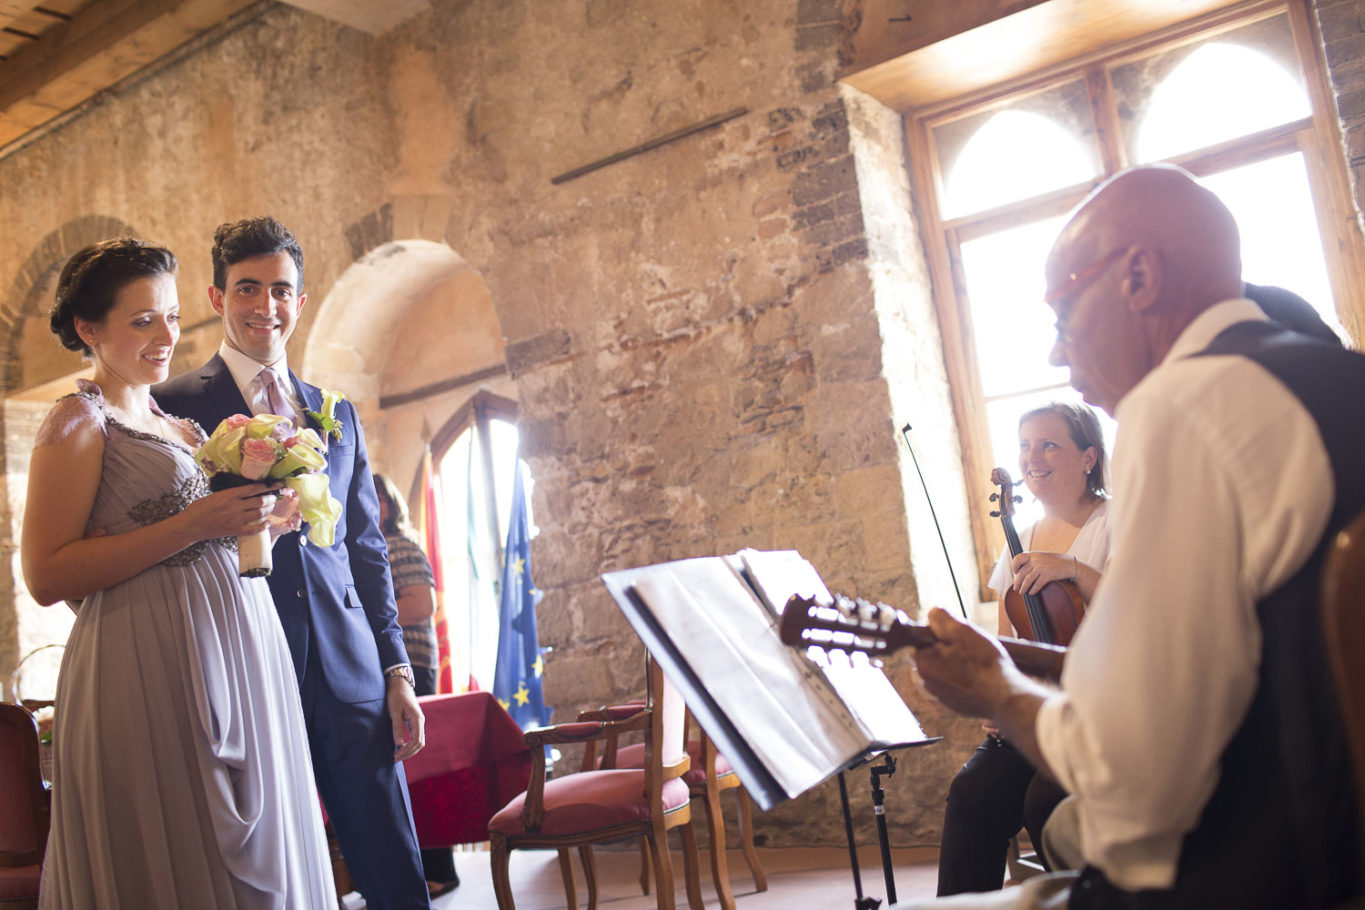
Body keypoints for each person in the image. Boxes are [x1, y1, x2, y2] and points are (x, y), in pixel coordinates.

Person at [899, 164, 1364, 909]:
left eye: (1060, 312)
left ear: (1139, 275)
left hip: (1263, 877)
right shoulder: (1343, 379)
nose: (1056, 351)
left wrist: (996, 689)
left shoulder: (1183, 404)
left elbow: (1131, 784)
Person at [24, 238, 335, 907]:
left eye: (170, 315)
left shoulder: (179, 426)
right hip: (147, 659)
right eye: (142, 320)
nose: (166, 335)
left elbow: (197, 543)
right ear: (88, 329)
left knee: (255, 852)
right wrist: (195, 524)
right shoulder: (80, 422)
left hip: (238, 648)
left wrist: (263, 528)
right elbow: (46, 575)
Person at [154, 218, 431, 909]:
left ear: (299, 303)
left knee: (392, 860)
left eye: (281, 291)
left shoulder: (334, 412)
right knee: (265, 865)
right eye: (247, 289)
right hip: (239, 656)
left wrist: (395, 670)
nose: (264, 307)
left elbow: (365, 549)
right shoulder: (172, 407)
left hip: (350, 670)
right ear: (217, 297)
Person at [937, 402, 1111, 896]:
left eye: (1049, 444)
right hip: (1037, 708)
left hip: (1101, 709)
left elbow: (1138, 608)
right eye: (1025, 445)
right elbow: (1007, 640)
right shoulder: (1022, 537)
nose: (1032, 457)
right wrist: (999, 694)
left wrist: (1075, 569)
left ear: (1088, 457)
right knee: (971, 794)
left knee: (1044, 803)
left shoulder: (1118, 519)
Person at [372, 473, 459, 898]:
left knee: (419, 766)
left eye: (379, 498)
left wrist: (366, 617)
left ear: (391, 505)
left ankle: (439, 870)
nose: (372, 505)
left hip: (409, 667)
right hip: (384, 670)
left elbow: (422, 604)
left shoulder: (399, 546)